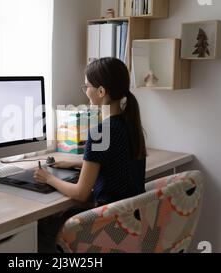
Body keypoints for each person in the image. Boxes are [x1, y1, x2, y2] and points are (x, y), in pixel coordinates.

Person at [34, 57, 147, 252]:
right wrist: (76, 165)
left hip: (107, 224)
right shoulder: (130, 125)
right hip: (130, 222)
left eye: (87, 86)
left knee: (42, 226)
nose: (85, 91)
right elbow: (116, 164)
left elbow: (81, 193)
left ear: (101, 91)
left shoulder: (101, 133)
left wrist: (49, 178)